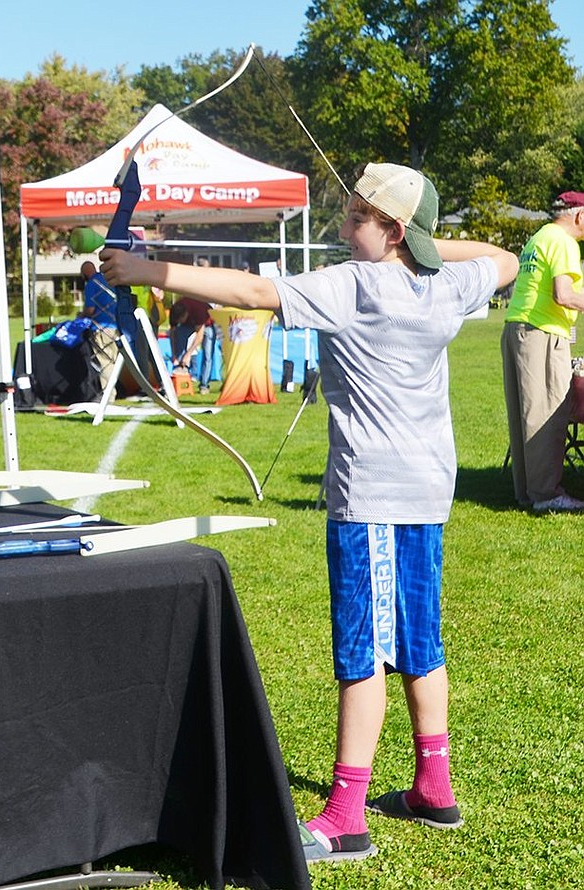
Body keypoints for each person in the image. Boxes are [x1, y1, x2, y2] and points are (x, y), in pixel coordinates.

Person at [101, 161, 519, 864]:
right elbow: (504, 259)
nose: (343, 224)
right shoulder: (446, 283)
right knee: (421, 639)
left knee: (361, 651)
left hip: (373, 497)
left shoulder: (356, 285)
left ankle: (347, 816)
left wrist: (147, 269)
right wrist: (419, 246)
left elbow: (254, 291)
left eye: (358, 216)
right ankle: (432, 787)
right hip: (425, 490)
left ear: (388, 230)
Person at [501, 191, 584, 513]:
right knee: (547, 414)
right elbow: (563, 295)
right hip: (542, 332)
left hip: (518, 328)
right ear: (579, 215)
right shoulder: (564, 242)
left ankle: (529, 490)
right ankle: (547, 494)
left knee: (526, 414)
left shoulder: (540, 237)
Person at [79, 260, 121, 397]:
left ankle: (108, 395)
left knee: (105, 362)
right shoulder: (109, 281)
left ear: (85, 273)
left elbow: (90, 310)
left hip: (101, 328)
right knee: (114, 361)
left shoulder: (91, 285)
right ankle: (114, 391)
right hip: (116, 326)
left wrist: (81, 315)